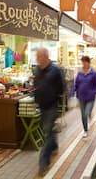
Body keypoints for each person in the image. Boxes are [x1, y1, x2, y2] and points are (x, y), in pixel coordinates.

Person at [34, 48, 65, 176]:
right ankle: (54, 146)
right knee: (49, 132)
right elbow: (36, 84)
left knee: (47, 134)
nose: (37, 59)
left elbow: (62, 87)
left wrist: (55, 98)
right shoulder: (37, 69)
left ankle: (43, 163)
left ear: (45, 57)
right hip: (41, 106)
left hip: (52, 106)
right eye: (37, 57)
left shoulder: (55, 70)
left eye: (39, 56)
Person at [75, 56, 96, 138]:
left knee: (86, 113)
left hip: (90, 98)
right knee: (83, 115)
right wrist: (74, 91)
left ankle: (89, 114)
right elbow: (76, 83)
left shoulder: (94, 73)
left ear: (89, 63)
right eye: (83, 62)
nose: (84, 64)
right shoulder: (79, 73)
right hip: (81, 97)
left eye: (85, 62)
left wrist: (94, 92)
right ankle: (85, 130)